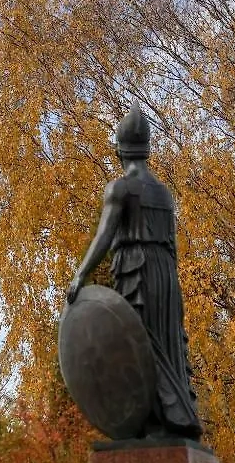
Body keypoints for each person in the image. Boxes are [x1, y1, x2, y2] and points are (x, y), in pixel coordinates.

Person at [66, 101, 202, 440]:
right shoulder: (163, 192)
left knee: (138, 344)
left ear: (118, 149)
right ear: (147, 149)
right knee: (163, 343)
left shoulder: (121, 189)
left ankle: (156, 420)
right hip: (165, 274)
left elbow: (104, 235)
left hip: (136, 270)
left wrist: (81, 274)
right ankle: (175, 416)